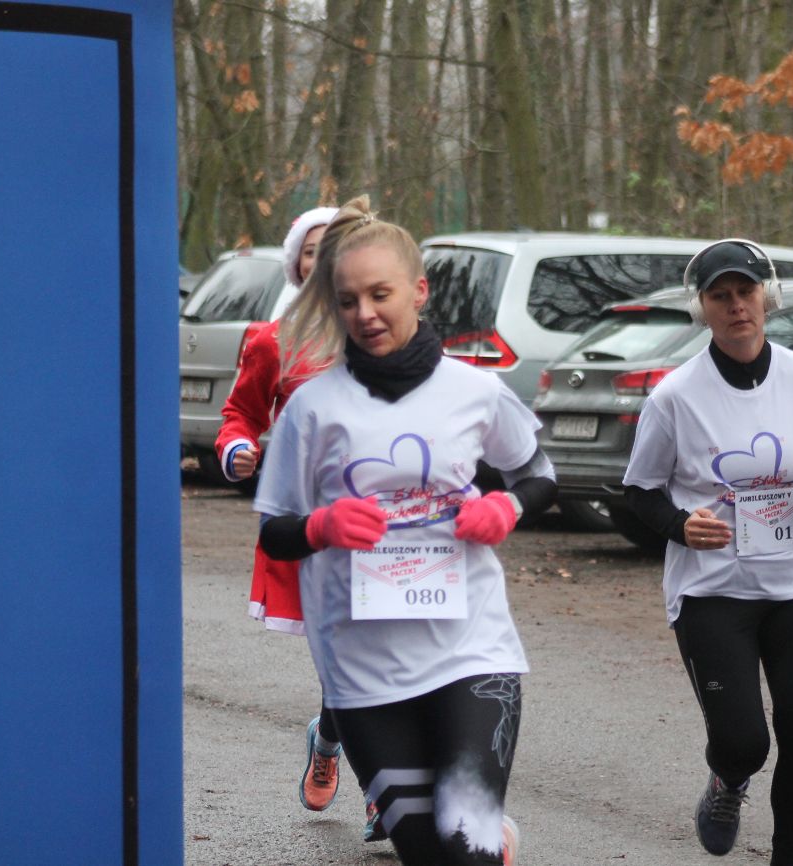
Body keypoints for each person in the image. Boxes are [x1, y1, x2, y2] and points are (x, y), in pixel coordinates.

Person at [253, 195, 555, 865]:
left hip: (470, 650)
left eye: (380, 294)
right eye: (348, 300)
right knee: (427, 854)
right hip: (363, 669)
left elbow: (538, 474)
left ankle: (485, 837)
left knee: (466, 850)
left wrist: (506, 509)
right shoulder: (312, 409)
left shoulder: (474, 391)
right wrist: (321, 526)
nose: (365, 313)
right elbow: (275, 532)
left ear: (418, 292)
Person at [621, 239, 793, 865]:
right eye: (720, 296)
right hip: (712, 590)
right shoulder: (675, 396)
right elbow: (640, 491)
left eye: (746, 292)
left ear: (768, 296)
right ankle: (728, 780)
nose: (736, 306)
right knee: (744, 743)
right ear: (701, 307)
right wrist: (680, 525)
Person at [213, 206, 387, 839]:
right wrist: (239, 448)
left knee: (376, 658)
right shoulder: (274, 341)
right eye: (314, 249)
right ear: (299, 264)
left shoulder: (389, 335)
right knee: (347, 660)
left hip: (388, 523)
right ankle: (372, 783)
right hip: (312, 527)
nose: (327, 258)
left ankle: (344, 754)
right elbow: (239, 413)